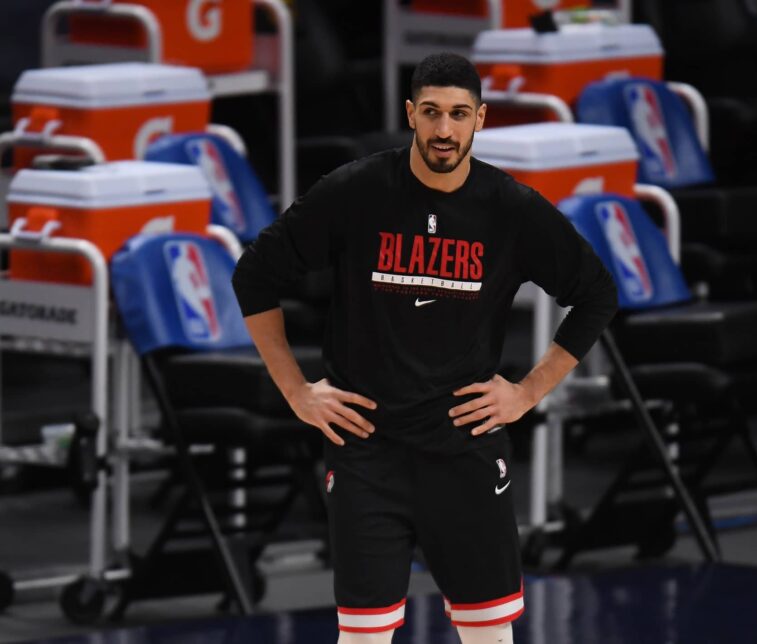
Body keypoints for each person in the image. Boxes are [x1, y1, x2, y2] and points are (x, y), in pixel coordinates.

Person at [232, 52, 617, 644]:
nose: (444, 129)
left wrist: (526, 393)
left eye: (459, 114)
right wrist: (296, 391)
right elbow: (254, 275)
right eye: (432, 112)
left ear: (480, 118)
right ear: (410, 113)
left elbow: (595, 293)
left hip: (463, 450)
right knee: (363, 638)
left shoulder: (509, 207)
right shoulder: (356, 191)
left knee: (488, 636)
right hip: (366, 452)